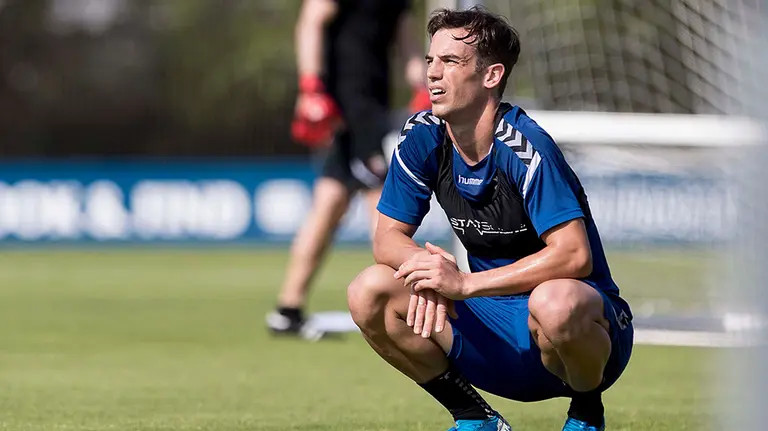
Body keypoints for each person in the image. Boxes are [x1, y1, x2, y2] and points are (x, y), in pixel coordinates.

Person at [346, 6, 634, 431]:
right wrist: (429, 270)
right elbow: (386, 238)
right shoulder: (421, 135)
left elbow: (574, 256)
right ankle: (475, 418)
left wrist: (463, 283)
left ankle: (587, 413)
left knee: (554, 302)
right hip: (492, 331)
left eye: (451, 62)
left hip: (578, 337)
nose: (433, 74)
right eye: (430, 60)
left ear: (491, 75)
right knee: (369, 290)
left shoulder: (525, 147)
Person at [266, 0, 431, 340]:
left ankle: (288, 310)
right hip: (350, 110)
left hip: (373, 110)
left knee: (329, 204)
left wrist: (424, 89)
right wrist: (311, 87)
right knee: (386, 208)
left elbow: (408, 44)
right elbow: (310, 21)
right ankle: (403, 306)